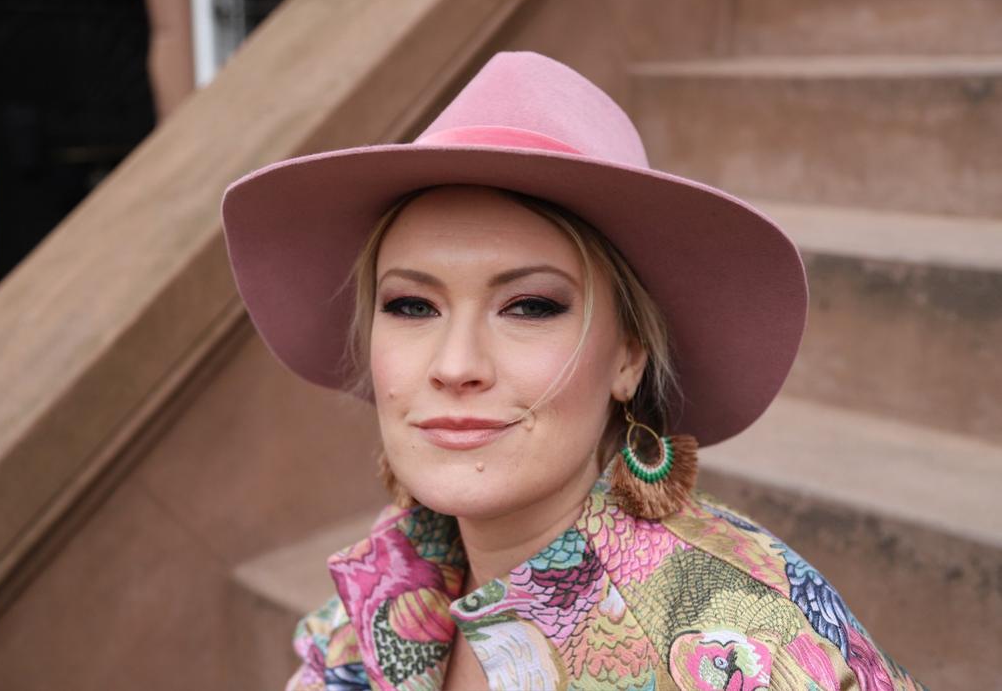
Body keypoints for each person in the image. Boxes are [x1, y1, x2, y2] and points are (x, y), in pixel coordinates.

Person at [221, 51, 924, 690]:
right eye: (411, 305)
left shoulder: (751, 653)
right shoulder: (387, 582)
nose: (456, 365)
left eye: (529, 306)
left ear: (627, 357)